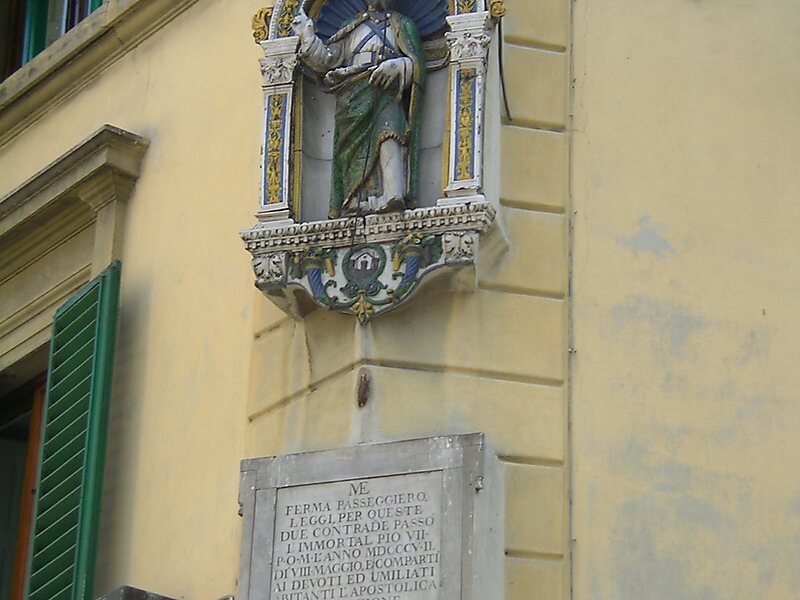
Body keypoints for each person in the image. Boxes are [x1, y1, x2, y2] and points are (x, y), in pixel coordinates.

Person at [291, 0, 425, 218]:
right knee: (351, 149)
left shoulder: (402, 25)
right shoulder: (351, 26)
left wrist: (399, 66)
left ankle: (393, 194)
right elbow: (327, 60)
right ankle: (356, 200)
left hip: (386, 92)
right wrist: (307, 36)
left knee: (390, 134)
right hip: (352, 97)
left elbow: (417, 63)